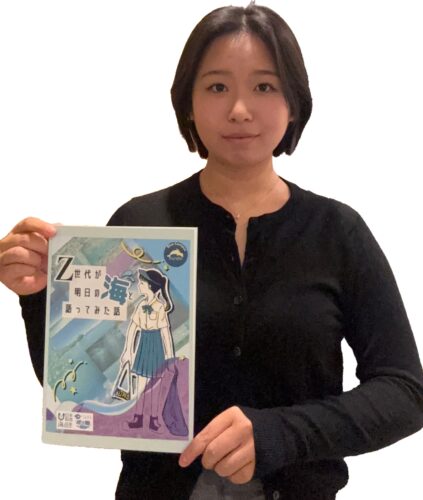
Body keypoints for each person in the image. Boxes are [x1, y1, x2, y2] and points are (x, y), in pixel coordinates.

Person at [0, 3, 422, 499]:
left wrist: (278, 434)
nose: (239, 108)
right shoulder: (140, 226)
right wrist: (38, 295)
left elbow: (404, 392)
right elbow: (81, 389)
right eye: (217, 87)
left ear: (294, 103)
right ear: (188, 104)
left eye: (264, 86)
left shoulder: (337, 232)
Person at [120, 268, 175, 431]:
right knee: (140, 384)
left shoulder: (160, 308)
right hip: (142, 344)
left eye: (142, 283)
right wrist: (128, 351)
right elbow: (133, 328)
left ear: (150, 286)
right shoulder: (141, 305)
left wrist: (170, 358)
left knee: (155, 385)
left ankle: (153, 418)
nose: (139, 285)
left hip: (155, 345)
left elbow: (165, 333)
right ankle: (138, 417)